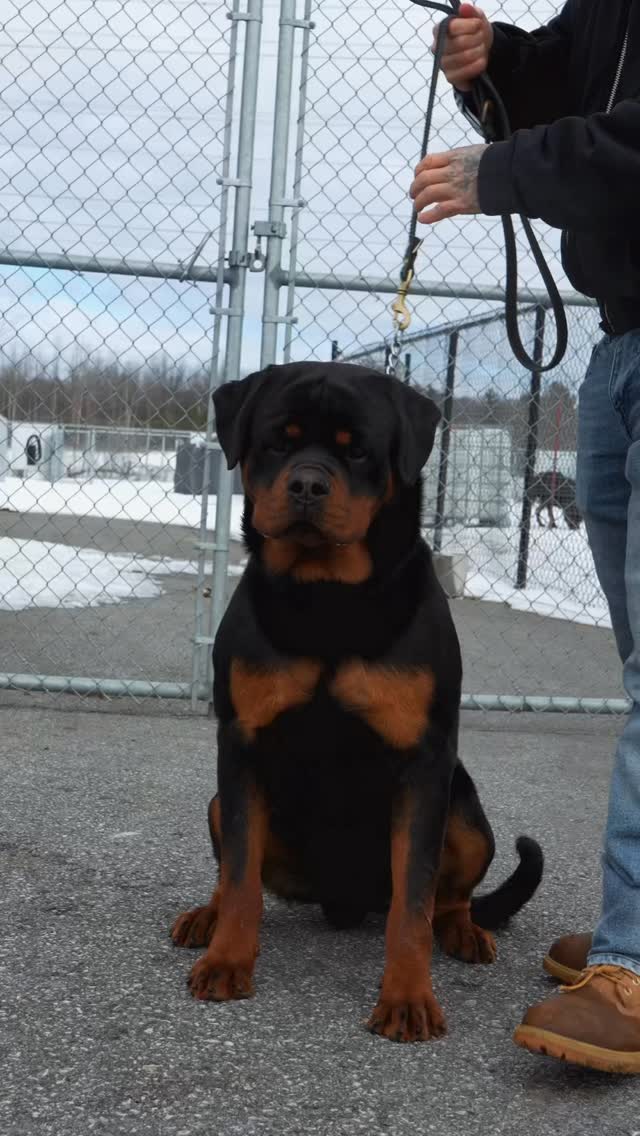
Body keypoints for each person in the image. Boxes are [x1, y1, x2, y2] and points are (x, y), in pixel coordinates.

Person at [409, 0, 640, 1073]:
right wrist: (493, 60)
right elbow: (566, 82)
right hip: (621, 340)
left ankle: (632, 964)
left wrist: (503, 171)